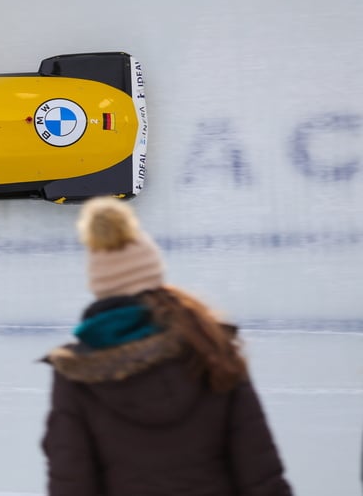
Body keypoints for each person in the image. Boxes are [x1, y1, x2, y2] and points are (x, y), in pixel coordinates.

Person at [41, 196, 292, 496]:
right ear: (155, 276)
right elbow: (261, 476)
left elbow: (73, 485)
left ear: (99, 288)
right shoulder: (209, 347)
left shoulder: (77, 374)